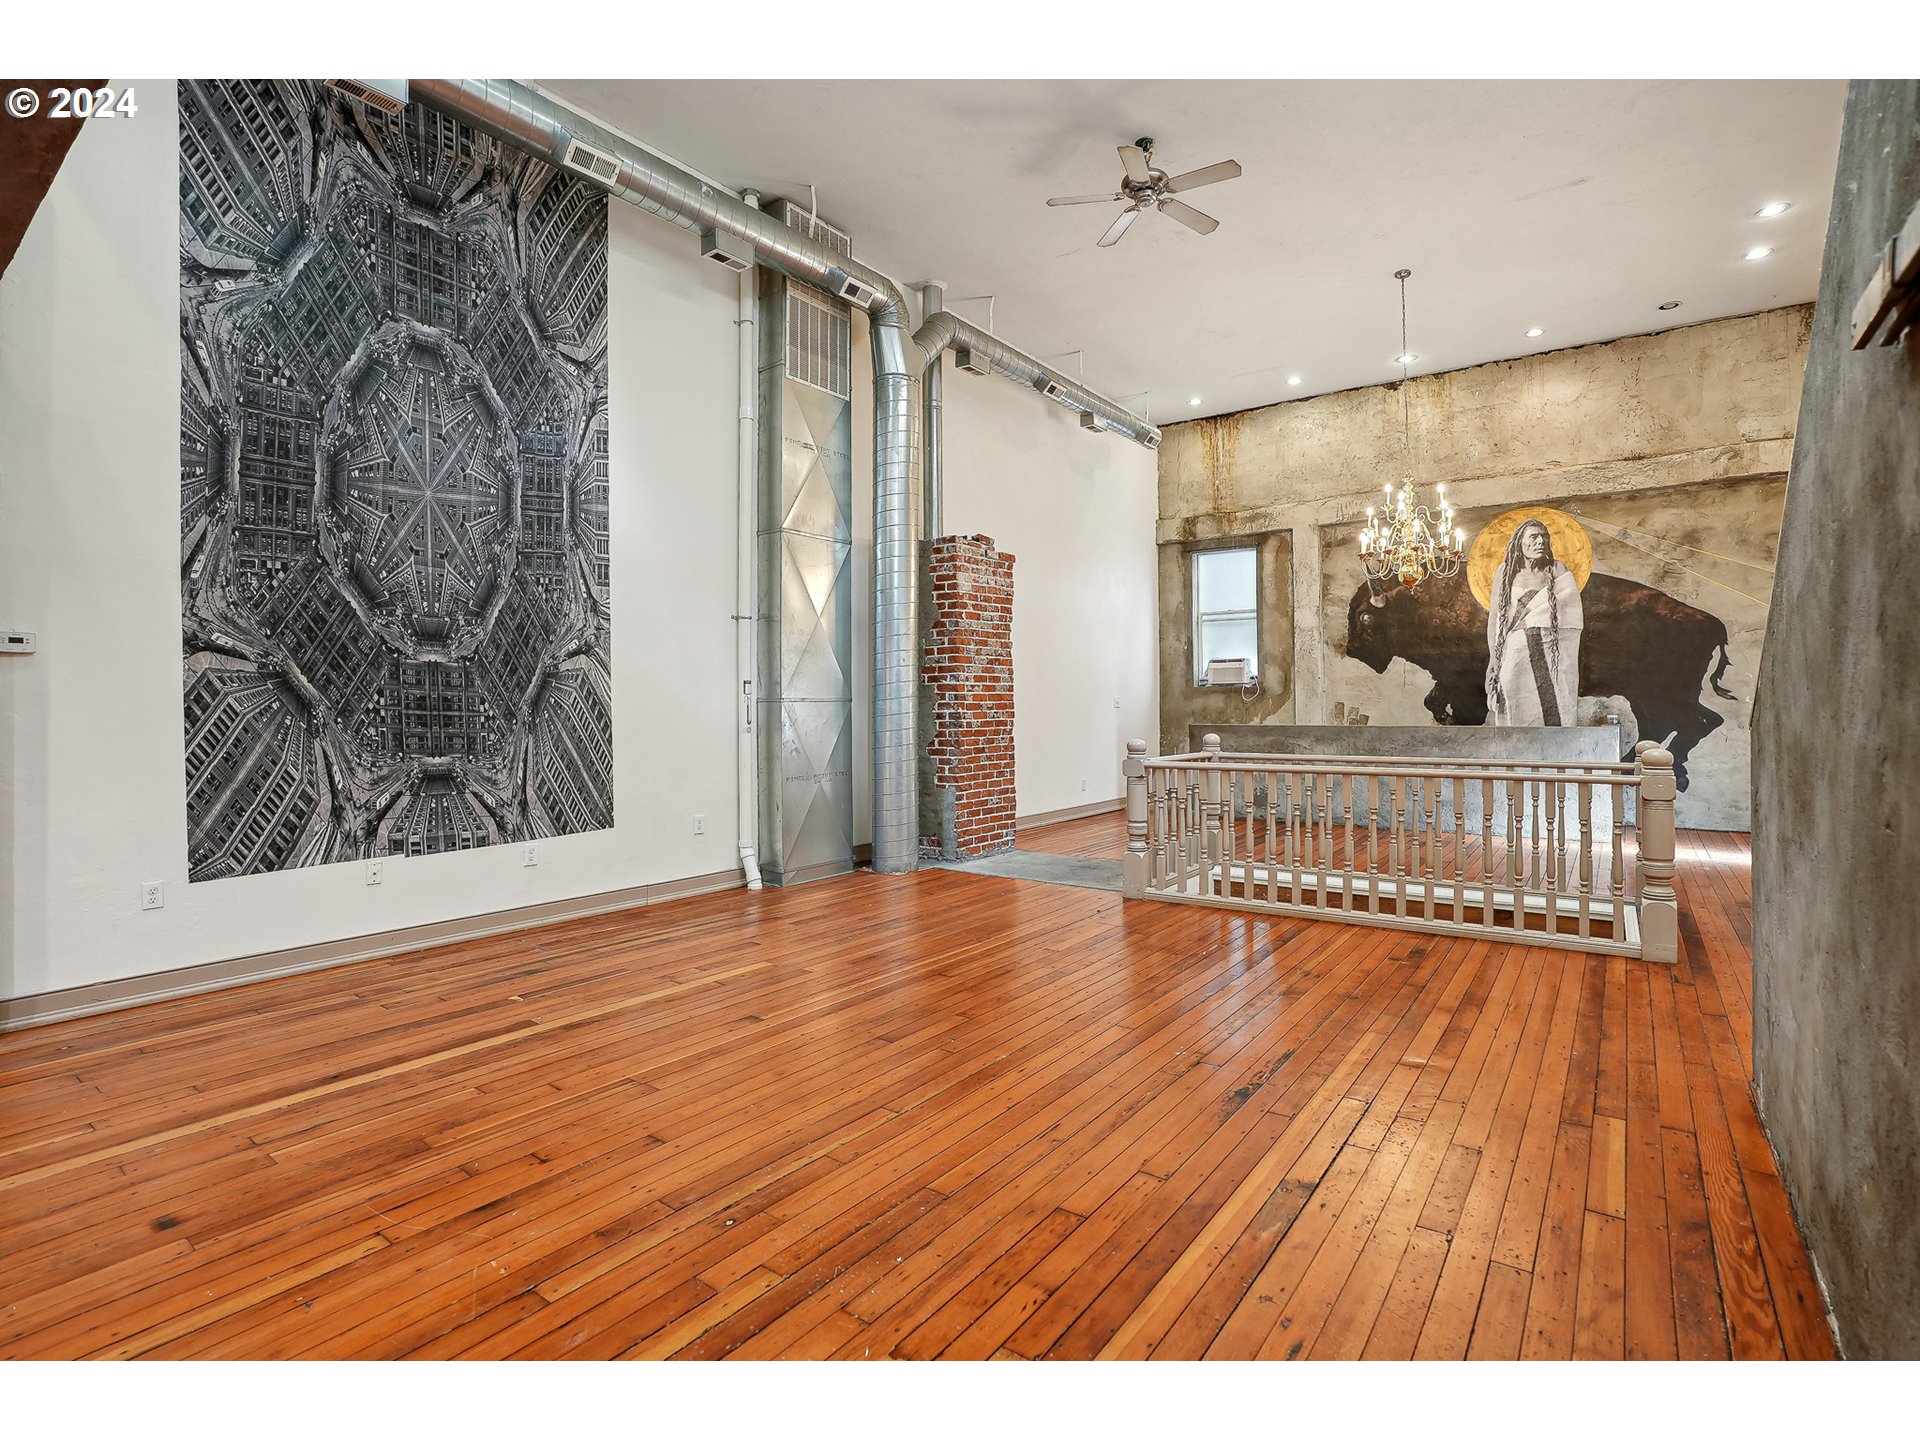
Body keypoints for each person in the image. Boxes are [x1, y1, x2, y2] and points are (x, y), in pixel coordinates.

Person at [1485, 519, 1583, 726]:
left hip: (1551, 652)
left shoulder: (1556, 569)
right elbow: (1495, 617)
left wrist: (1535, 622)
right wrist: (1493, 660)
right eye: (1534, 537)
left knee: (1555, 698)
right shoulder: (1505, 572)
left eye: (1544, 537)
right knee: (1512, 693)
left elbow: (1571, 613)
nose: (1541, 541)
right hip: (1515, 652)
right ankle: (1514, 753)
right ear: (1520, 543)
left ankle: (1554, 752)